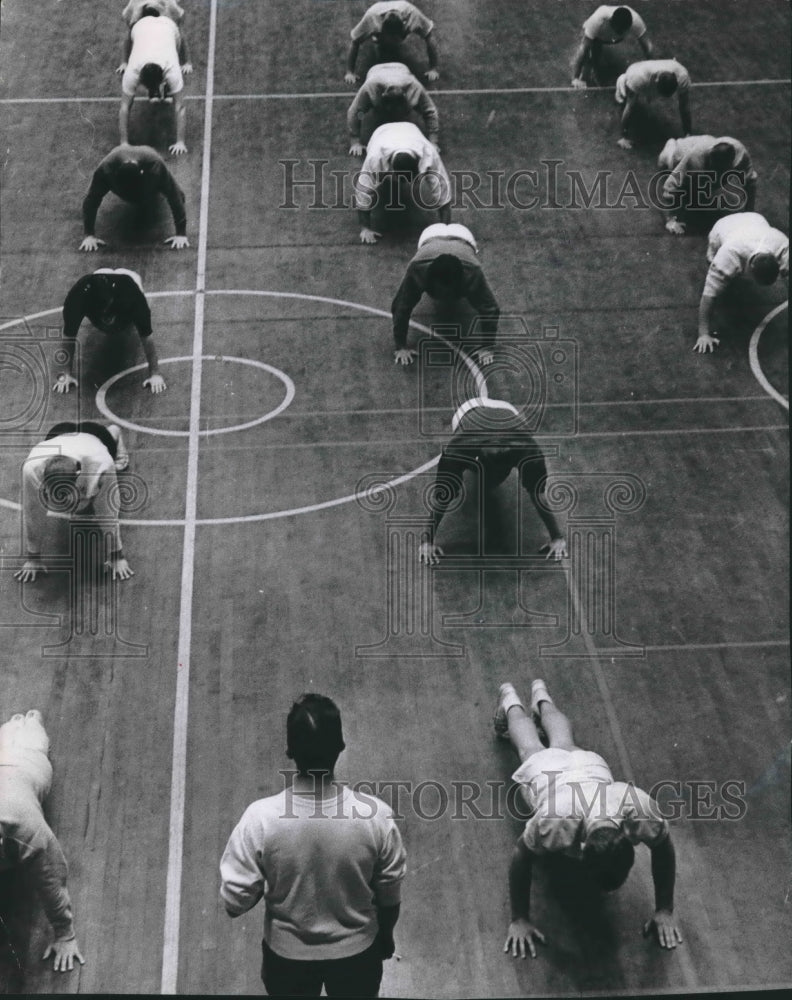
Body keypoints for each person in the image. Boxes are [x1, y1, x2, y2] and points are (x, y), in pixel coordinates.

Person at [220, 693, 406, 998]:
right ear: (341, 746)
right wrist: (385, 937)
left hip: (287, 958)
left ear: (290, 751)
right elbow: (389, 898)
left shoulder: (260, 819)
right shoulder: (377, 816)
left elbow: (233, 903)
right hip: (357, 956)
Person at [494, 679, 682, 959]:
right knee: (530, 748)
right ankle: (515, 697)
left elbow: (664, 845)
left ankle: (529, 695)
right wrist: (518, 918)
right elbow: (521, 854)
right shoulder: (557, 819)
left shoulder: (636, 805)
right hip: (559, 773)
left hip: (584, 772)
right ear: (580, 849)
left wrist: (665, 910)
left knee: (560, 743)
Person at [418, 398, 567, 565]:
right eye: (497, 449)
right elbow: (442, 497)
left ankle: (495, 465)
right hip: (468, 410)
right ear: (480, 448)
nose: (502, 449)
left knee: (495, 475)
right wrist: (427, 541)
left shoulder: (526, 449)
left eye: (504, 448)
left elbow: (538, 494)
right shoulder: (458, 449)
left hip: (508, 412)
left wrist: (557, 537)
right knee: (480, 477)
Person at [0, 710, 85, 973]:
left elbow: (51, 879)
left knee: (27, 728)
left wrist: (65, 934)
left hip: (28, 759)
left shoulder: (25, 828)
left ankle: (31, 721)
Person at [13, 422, 133, 584]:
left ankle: (115, 433)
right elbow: (32, 511)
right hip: (57, 433)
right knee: (80, 503)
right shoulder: (31, 469)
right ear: (43, 475)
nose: (59, 502)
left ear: (78, 475)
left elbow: (107, 509)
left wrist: (117, 556)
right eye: (54, 495)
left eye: (64, 494)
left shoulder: (102, 463)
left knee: (89, 504)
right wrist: (33, 557)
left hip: (96, 436)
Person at [391, 223, 498, 365]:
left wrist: (487, 347)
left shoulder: (473, 271)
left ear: (461, 280)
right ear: (429, 278)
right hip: (430, 236)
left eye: (448, 292)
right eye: (441, 291)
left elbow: (491, 309)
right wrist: (400, 346)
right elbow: (400, 306)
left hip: (463, 236)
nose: (445, 297)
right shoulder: (417, 268)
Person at [52, 269, 166, 395]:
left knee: (129, 323)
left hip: (128, 282)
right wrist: (65, 374)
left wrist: (155, 373)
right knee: (108, 327)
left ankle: (118, 313)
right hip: (99, 283)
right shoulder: (78, 297)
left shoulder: (130, 293)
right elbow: (69, 334)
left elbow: (146, 335)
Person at [695, 212, 788, 353]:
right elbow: (708, 296)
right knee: (714, 273)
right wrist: (703, 334)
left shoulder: (783, 245)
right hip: (722, 227)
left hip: (755, 219)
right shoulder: (727, 255)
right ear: (750, 269)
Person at [80, 143, 189, 251]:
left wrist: (181, 234)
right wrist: (89, 235)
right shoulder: (106, 169)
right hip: (124, 174)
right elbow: (91, 199)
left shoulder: (156, 166)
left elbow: (177, 195)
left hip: (148, 174)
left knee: (172, 189)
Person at [355, 122, 451, 243]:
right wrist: (365, 228)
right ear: (392, 171)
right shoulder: (374, 157)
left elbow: (443, 191)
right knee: (370, 178)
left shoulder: (430, 154)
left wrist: (445, 229)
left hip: (411, 130)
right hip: (380, 133)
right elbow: (363, 191)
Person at [117, 8, 192, 155]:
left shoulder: (172, 69)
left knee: (175, 47)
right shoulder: (132, 72)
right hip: (141, 27)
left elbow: (180, 107)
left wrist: (180, 141)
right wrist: (123, 142)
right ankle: (157, 91)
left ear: (164, 77)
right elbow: (124, 108)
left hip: (169, 27)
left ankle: (162, 91)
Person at [657, 135, 758, 234]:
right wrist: (670, 220)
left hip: (706, 142)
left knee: (702, 192)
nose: (718, 174)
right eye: (715, 169)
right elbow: (670, 185)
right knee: (668, 162)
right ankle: (671, 145)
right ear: (710, 160)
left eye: (721, 171)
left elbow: (751, 182)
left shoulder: (741, 155)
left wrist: (748, 217)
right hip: (681, 151)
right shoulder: (695, 158)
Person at [347, 62, 440, 156]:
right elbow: (355, 112)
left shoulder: (414, 87)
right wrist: (355, 141)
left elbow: (430, 111)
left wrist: (433, 141)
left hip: (401, 69)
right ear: (382, 97)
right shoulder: (370, 88)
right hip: (376, 70)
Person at [345, 1, 440, 84]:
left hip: (397, 23)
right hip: (379, 32)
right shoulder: (371, 17)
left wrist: (433, 69)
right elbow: (355, 41)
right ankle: (381, 41)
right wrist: (350, 72)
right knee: (382, 49)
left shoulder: (413, 14)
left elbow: (429, 35)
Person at [614, 58, 692, 149]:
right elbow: (629, 106)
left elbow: (684, 106)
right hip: (635, 72)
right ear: (656, 81)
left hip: (650, 76)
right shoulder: (637, 78)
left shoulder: (682, 76)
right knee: (625, 101)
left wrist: (688, 135)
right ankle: (621, 81)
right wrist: (624, 137)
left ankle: (688, 133)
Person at [571, 6, 653, 89]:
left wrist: (652, 72)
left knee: (596, 57)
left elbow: (648, 47)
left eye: (622, 31)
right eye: (618, 30)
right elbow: (583, 49)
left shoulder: (636, 21)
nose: (619, 32)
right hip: (599, 36)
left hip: (614, 38)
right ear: (610, 22)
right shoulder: (597, 20)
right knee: (591, 54)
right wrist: (575, 78)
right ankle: (588, 72)